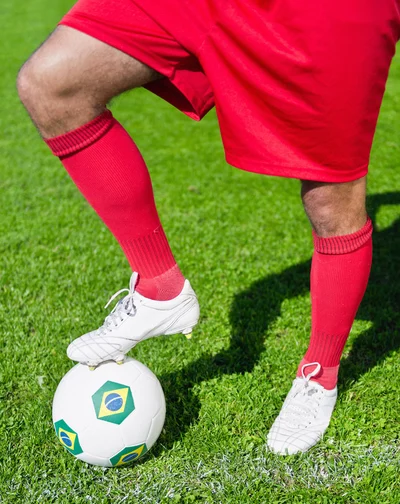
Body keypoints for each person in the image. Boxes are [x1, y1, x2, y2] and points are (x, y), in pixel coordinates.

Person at [17, 0, 400, 455]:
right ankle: (159, 288)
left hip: (323, 14)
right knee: (52, 83)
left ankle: (320, 373)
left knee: (330, 202)